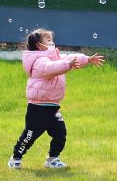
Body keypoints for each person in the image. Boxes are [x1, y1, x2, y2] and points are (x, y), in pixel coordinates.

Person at [8, 28, 103, 170]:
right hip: (38, 108)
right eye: (48, 40)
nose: (52, 42)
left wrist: (87, 59)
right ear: (40, 46)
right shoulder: (39, 61)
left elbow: (68, 58)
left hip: (53, 106)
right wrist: (67, 65)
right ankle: (16, 157)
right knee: (29, 135)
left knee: (60, 133)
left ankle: (53, 159)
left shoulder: (55, 57)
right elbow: (50, 68)